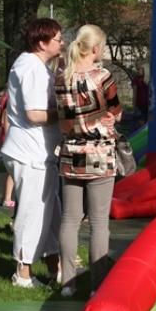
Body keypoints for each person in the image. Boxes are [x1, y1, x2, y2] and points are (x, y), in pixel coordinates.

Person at [55, 25, 122, 297]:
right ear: (95, 49)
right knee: (98, 222)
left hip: (71, 152)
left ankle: (67, 283)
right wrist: (109, 117)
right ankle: (97, 286)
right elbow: (116, 111)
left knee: (70, 220)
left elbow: (63, 121)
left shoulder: (62, 78)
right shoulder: (103, 77)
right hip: (99, 154)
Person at [0, 18, 64, 288]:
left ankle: (55, 266)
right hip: (30, 152)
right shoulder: (32, 69)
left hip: (34, 151)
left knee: (51, 213)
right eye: (58, 39)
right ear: (42, 42)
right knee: (33, 213)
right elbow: (34, 114)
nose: (62, 43)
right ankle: (22, 274)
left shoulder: (33, 65)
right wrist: (65, 114)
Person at [0, 88, 15, 209]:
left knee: (10, 172)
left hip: (6, 141)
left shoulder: (3, 106)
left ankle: (5, 197)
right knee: (11, 172)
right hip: (9, 141)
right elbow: (5, 125)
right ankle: (7, 198)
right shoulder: (8, 108)